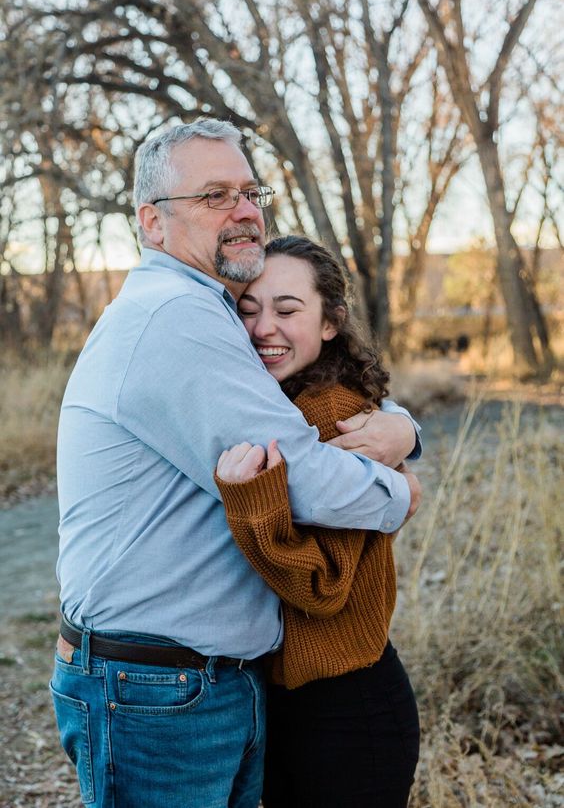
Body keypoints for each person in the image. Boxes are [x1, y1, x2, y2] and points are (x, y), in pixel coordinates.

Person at [51, 118, 421, 808]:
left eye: (251, 191)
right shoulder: (176, 317)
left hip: (194, 687)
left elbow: (326, 409)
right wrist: (402, 489)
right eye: (216, 194)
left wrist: (401, 425)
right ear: (152, 223)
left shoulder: (205, 313)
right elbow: (307, 475)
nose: (245, 210)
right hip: (157, 691)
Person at [215, 235, 420, 808]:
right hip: (296, 706)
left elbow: (322, 586)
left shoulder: (329, 413)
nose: (263, 329)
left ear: (331, 322)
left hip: (348, 713)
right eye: (247, 309)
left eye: (287, 309)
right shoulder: (283, 401)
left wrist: (253, 504)